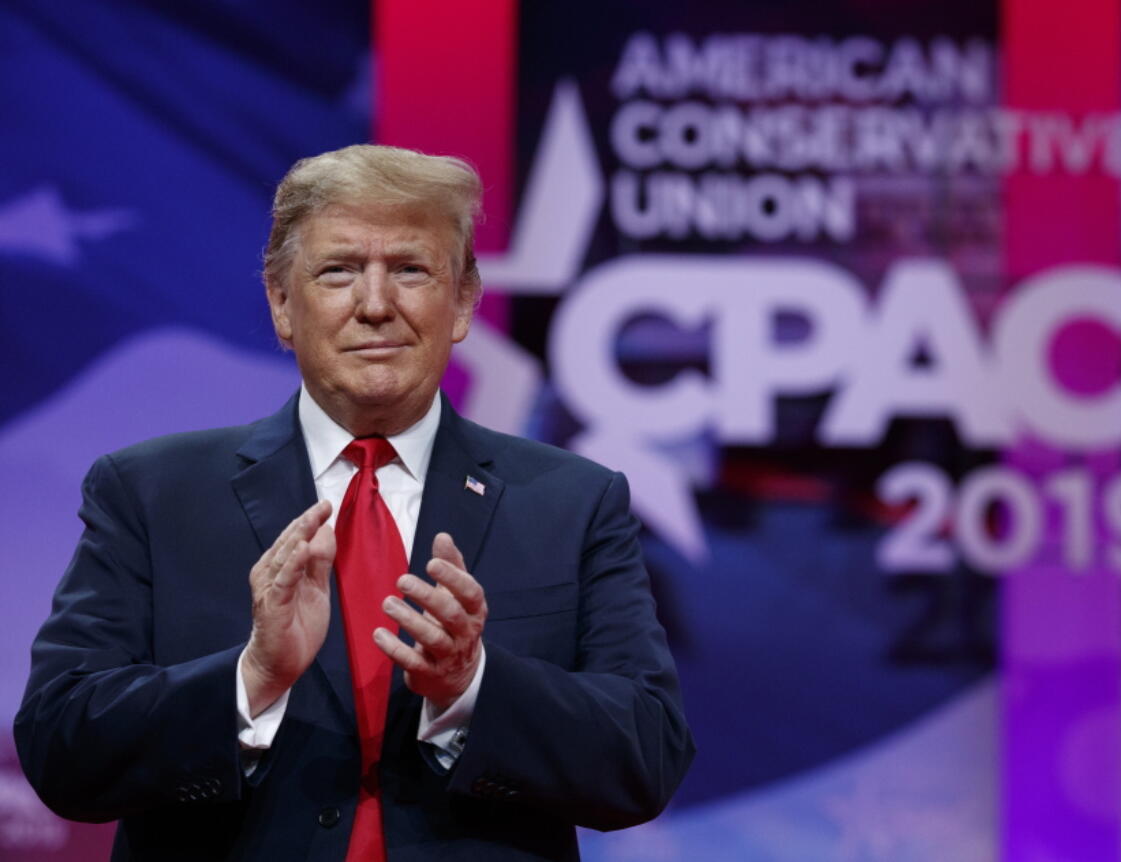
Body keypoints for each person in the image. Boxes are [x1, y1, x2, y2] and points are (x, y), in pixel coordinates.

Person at [14, 144, 694, 861]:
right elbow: (63, 750)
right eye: (339, 271)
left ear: (462, 301)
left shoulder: (574, 502)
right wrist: (251, 679)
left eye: (410, 270)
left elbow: (646, 758)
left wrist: (471, 686)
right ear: (282, 303)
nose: (375, 305)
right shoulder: (149, 493)